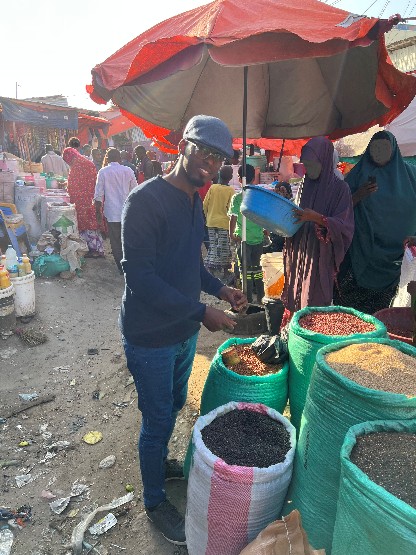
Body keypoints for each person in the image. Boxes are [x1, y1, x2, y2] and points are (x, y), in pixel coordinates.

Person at [121, 115, 247, 545]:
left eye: (218, 159)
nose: (210, 165)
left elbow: (189, 266)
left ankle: (159, 462)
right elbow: (141, 277)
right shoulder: (145, 201)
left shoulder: (196, 199)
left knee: (173, 406)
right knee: (156, 420)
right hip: (150, 336)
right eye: (203, 153)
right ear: (182, 147)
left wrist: (220, 289)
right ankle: (155, 501)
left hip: (181, 334)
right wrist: (200, 312)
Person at [334, 130, 416, 314]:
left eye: (384, 148)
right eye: (375, 148)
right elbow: (338, 213)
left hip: (396, 260)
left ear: (394, 149)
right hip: (360, 256)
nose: (379, 152)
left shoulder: (411, 176)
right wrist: (358, 195)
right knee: (355, 316)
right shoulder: (356, 176)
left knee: (386, 314)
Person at [282, 136, 354, 312]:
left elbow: (345, 226)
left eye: (314, 164)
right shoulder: (305, 184)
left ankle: (311, 336)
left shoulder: (340, 189)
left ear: (326, 161)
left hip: (320, 255)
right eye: (306, 165)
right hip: (300, 250)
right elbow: (297, 213)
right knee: (297, 293)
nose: (309, 169)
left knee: (315, 300)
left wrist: (317, 218)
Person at [94, 148, 137, 273]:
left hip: (112, 212)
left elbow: (98, 195)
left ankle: (121, 266)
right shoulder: (128, 170)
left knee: (115, 240)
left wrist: (97, 213)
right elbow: (136, 190)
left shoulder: (103, 172)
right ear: (119, 158)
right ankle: (130, 262)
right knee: (128, 238)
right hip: (128, 211)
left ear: (107, 158)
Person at [228, 164, 266, 304]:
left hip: (243, 240)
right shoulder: (258, 197)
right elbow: (263, 217)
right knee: (258, 270)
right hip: (258, 239)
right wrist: (265, 232)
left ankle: (248, 300)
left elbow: (233, 218)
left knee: (246, 271)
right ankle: (262, 298)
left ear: (239, 178)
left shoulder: (237, 198)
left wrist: (231, 234)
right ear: (253, 178)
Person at [62, 148, 105, 257]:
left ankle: (89, 249)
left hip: (80, 200)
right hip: (91, 198)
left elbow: (72, 184)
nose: (69, 163)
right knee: (92, 223)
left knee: (83, 224)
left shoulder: (76, 166)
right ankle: (97, 249)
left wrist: (67, 190)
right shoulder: (88, 163)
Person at [203, 165, 235, 281]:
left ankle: (212, 267)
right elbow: (231, 210)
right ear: (231, 177)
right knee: (224, 248)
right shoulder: (231, 190)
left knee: (214, 246)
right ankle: (222, 270)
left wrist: (208, 217)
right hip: (224, 224)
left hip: (211, 222)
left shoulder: (213, 188)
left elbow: (205, 205)